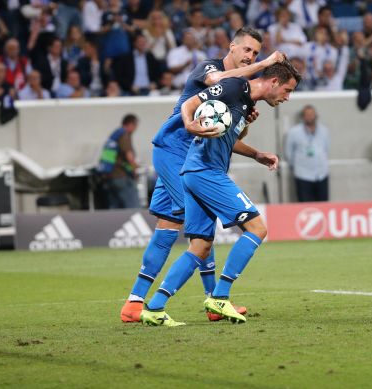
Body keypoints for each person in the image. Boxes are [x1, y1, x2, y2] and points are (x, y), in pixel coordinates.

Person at [119, 28, 285, 324]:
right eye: (246, 50)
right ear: (232, 47)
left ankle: (135, 302)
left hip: (197, 156)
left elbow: (224, 134)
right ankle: (214, 300)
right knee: (199, 226)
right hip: (175, 150)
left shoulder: (243, 92)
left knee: (169, 226)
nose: (250, 56)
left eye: (256, 54)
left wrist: (255, 149)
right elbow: (213, 84)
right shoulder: (212, 69)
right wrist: (263, 65)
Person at [285, 105, 330, 202]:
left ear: (316, 116)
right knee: (305, 206)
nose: (310, 117)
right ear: (302, 117)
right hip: (303, 175)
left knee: (323, 206)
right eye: (307, 114)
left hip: (321, 174)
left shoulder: (324, 131)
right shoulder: (294, 132)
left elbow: (326, 149)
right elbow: (289, 153)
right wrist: (297, 167)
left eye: (312, 114)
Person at [96, 114, 141, 210]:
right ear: (130, 124)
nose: (135, 129)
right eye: (135, 126)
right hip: (121, 176)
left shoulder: (115, 134)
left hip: (109, 177)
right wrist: (135, 170)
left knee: (115, 209)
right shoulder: (124, 135)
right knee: (133, 207)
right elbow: (129, 155)